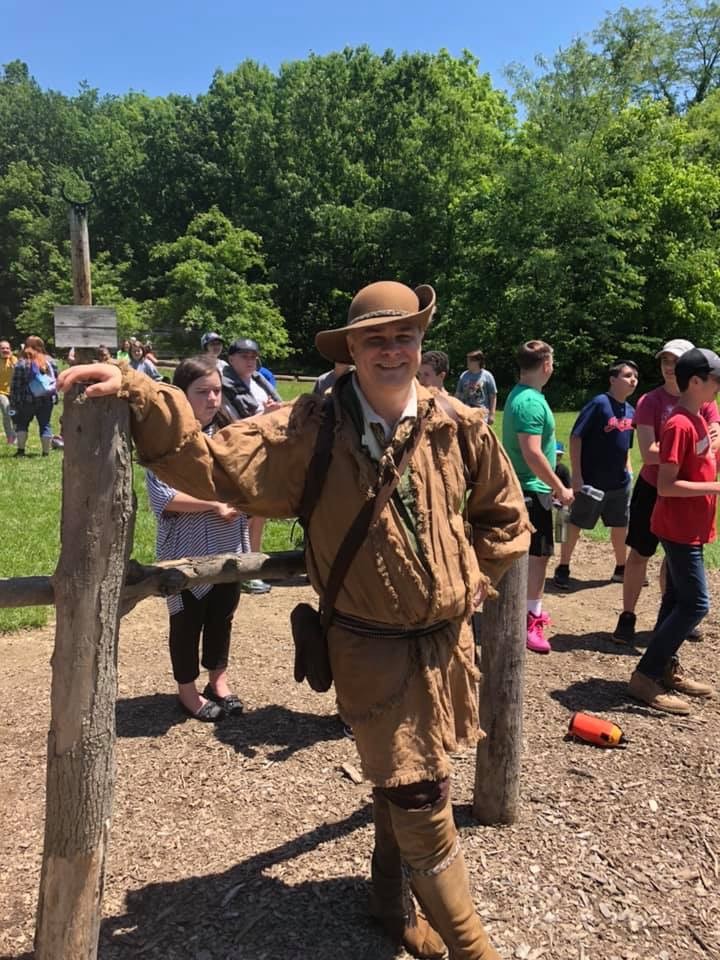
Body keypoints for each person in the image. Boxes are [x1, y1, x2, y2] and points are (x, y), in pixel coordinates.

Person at [59, 279, 531, 960]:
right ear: (353, 349)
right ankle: (474, 949)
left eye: (404, 336)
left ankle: (387, 901)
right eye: (376, 338)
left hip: (446, 645)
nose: (392, 349)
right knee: (422, 794)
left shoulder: (457, 424)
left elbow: (505, 518)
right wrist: (140, 390)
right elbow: (209, 462)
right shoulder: (309, 431)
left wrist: (472, 582)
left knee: (416, 776)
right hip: (368, 648)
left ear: (421, 341)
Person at [146, 355, 249, 722]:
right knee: (187, 622)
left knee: (222, 615)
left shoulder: (230, 435)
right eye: (202, 391)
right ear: (181, 394)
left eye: (217, 391)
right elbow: (164, 497)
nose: (212, 399)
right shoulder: (165, 441)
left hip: (228, 546)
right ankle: (187, 692)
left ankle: (218, 681)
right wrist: (215, 504)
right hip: (184, 552)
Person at [627, 348, 720, 714]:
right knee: (697, 603)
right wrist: (716, 488)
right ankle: (645, 676)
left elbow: (700, 464)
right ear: (695, 381)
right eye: (715, 381)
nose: (717, 388)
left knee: (676, 599)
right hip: (678, 527)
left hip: (691, 526)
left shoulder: (698, 420)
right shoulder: (679, 424)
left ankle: (664, 665)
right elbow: (665, 486)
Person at [502, 340, 574, 654]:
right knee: (537, 557)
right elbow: (532, 453)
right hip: (531, 488)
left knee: (533, 556)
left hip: (528, 487)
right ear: (545, 364)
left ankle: (522, 611)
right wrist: (559, 486)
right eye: (553, 362)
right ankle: (529, 619)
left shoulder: (522, 396)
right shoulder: (531, 402)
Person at [553, 361, 638, 590]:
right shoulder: (599, 404)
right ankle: (563, 566)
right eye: (628, 375)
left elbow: (626, 445)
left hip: (619, 482)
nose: (633, 380)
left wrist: (628, 468)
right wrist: (578, 475)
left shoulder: (631, 411)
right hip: (592, 481)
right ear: (613, 379)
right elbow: (576, 437)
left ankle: (621, 568)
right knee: (577, 523)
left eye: (635, 377)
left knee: (620, 525)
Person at [222, 337, 283, 594]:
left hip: (264, 454)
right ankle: (238, 568)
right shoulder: (224, 386)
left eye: (253, 356)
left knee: (260, 514)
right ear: (231, 358)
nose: (250, 361)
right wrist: (265, 416)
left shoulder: (259, 380)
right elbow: (233, 424)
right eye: (244, 356)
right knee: (242, 515)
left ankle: (253, 565)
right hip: (241, 457)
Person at [9, 335, 57, 457]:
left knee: (22, 424)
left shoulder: (22, 363)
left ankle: (21, 451)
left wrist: (14, 402)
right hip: (46, 399)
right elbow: (56, 380)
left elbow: (15, 386)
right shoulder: (50, 361)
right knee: (45, 424)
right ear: (41, 346)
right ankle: (46, 453)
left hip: (25, 401)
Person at [455, 350, 497, 424]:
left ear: (477, 362)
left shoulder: (487, 376)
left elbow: (493, 396)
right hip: (466, 413)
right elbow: (457, 394)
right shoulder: (464, 375)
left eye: (469, 361)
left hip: (482, 415)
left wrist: (492, 414)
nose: (467, 363)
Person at [0, 340, 17, 444]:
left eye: (7, 348)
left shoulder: (14, 359)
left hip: (13, 392)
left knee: (14, 414)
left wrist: (11, 358)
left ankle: (14, 436)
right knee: (7, 412)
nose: (5, 350)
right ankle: (9, 437)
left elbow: (19, 370)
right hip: (1, 392)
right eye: (2, 348)